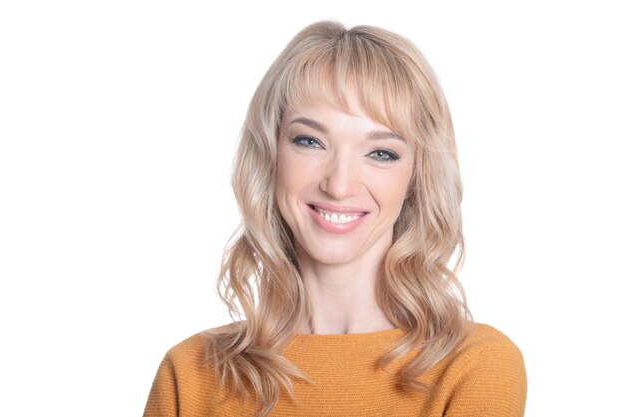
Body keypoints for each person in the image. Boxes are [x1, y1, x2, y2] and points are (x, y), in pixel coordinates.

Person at [143, 20, 527, 417]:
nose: (339, 185)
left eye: (381, 153)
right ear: (271, 156)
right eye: (310, 141)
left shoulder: (474, 366)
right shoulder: (191, 373)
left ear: (416, 177)